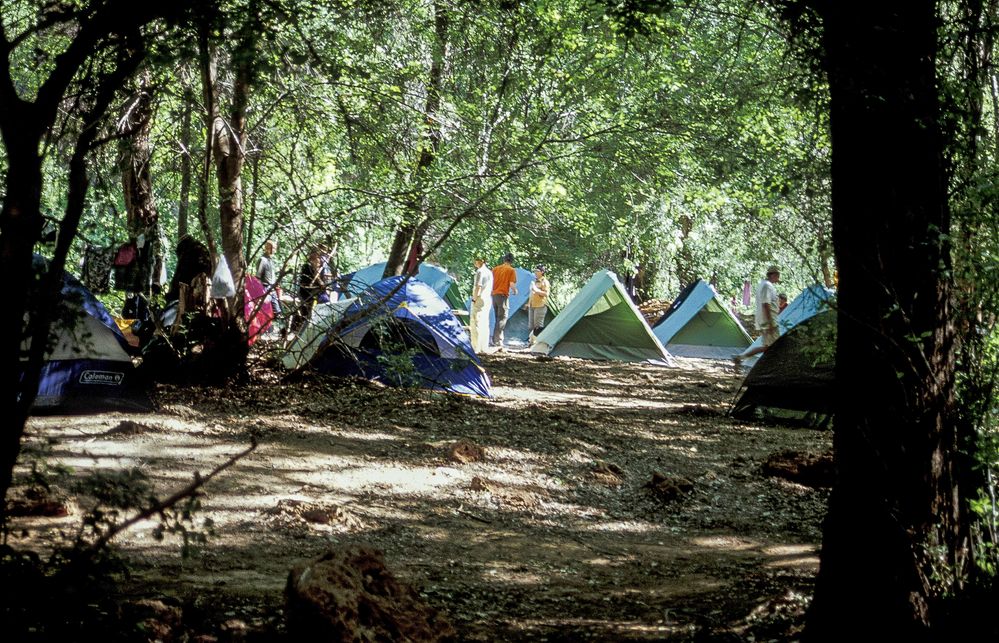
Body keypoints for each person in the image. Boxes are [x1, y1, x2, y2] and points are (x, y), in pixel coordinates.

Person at [733, 265, 781, 365]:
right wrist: (771, 322)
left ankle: (741, 357)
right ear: (773, 275)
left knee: (767, 346)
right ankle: (769, 365)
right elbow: (766, 304)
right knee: (776, 346)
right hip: (768, 321)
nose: (778, 278)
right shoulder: (767, 286)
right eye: (778, 275)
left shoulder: (764, 284)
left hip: (767, 320)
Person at [490, 253, 518, 348]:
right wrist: (515, 290)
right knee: (502, 318)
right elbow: (511, 284)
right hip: (502, 296)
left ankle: (497, 339)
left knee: (497, 317)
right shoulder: (511, 270)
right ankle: (497, 340)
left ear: (504, 260)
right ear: (512, 261)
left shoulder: (495, 269)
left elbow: (491, 281)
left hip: (494, 295)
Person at [295, 248, 324, 331]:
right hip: (305, 293)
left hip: (312, 294)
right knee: (305, 311)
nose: (318, 259)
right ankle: (299, 328)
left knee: (309, 312)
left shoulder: (318, 268)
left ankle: (304, 327)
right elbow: (306, 282)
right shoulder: (307, 266)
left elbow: (320, 282)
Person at [469, 256, 493, 354]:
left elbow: (478, 287)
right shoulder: (489, 272)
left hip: (479, 299)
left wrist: (474, 299)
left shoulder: (480, 272)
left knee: (476, 322)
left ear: (480, 261)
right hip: (487, 299)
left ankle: (476, 347)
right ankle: (484, 346)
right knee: (485, 323)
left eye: (476, 260)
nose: (474, 262)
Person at [256, 240, 281, 317]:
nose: (274, 250)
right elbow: (258, 276)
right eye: (272, 248)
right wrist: (261, 290)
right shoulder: (263, 260)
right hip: (265, 287)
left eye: (274, 248)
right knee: (266, 311)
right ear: (267, 248)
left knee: (277, 311)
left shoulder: (271, 260)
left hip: (272, 288)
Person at [528, 264, 550, 343]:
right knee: (531, 326)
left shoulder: (545, 282)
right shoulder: (534, 281)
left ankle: (538, 343)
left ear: (542, 272)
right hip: (532, 305)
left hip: (540, 305)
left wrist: (536, 290)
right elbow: (531, 293)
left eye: (537, 271)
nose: (535, 272)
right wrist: (528, 303)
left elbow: (546, 294)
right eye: (535, 271)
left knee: (538, 326)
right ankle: (531, 342)